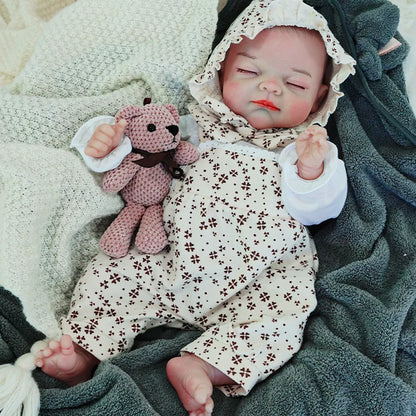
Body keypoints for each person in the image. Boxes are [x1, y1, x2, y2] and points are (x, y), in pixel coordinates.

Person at [35, 1, 355, 415]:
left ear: (318, 99)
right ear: (219, 71)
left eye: (294, 84)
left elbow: (320, 210)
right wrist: (104, 145)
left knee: (284, 319)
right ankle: (83, 352)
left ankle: (203, 365)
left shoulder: (302, 150)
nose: (270, 88)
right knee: (111, 275)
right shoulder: (192, 125)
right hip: (166, 258)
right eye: (249, 72)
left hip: (256, 281)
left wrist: (313, 171)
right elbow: (143, 150)